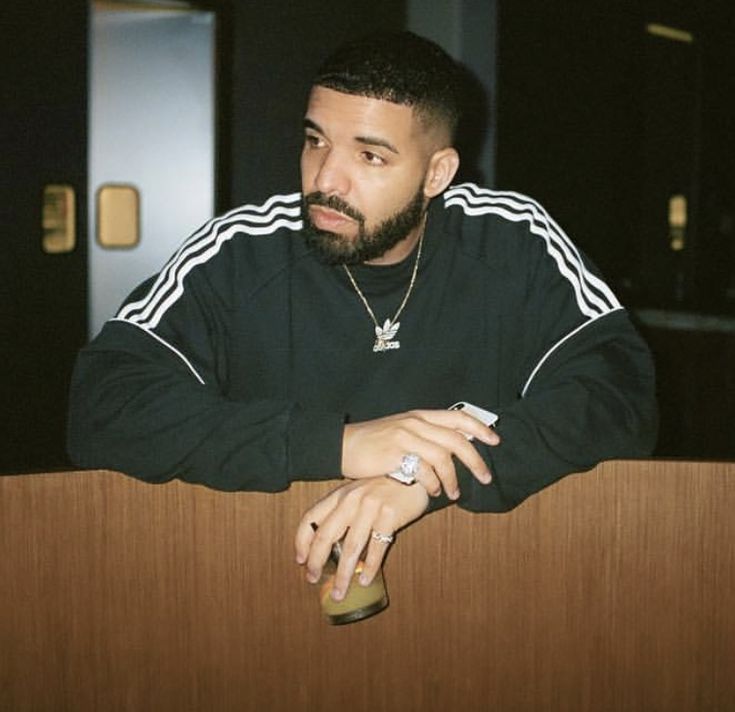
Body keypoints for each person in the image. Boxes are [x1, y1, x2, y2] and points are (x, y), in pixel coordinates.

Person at [68, 31, 657, 603]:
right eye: (316, 140)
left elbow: (619, 398)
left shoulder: (512, 241)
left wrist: (423, 474)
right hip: (263, 592)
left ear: (436, 173)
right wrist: (341, 445)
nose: (325, 180)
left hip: (488, 592)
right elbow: (102, 405)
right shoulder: (242, 251)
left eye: (370, 155)